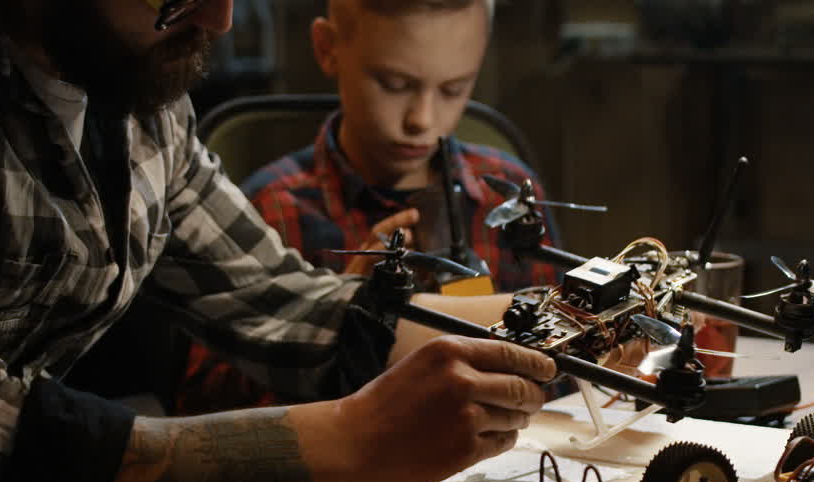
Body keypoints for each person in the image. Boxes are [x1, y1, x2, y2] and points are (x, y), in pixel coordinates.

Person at [0, 0, 555, 482]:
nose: (221, 20)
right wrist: (357, 438)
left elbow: (285, 302)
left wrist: (573, 317)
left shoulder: (135, 93)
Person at [175, 0, 559, 415]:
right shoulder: (273, 209)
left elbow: (563, 368)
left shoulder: (507, 198)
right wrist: (339, 314)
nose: (422, 120)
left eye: (454, 88)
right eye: (394, 84)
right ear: (327, 48)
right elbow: (204, 407)